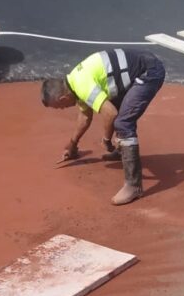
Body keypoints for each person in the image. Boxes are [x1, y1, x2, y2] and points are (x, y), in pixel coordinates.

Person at [40, 49, 166, 206]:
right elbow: (85, 116)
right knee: (115, 106)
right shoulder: (73, 82)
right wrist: (73, 144)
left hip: (148, 71)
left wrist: (106, 140)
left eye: (58, 107)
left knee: (123, 122)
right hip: (138, 67)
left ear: (63, 98)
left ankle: (133, 186)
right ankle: (122, 150)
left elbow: (110, 114)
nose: (61, 109)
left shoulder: (82, 86)